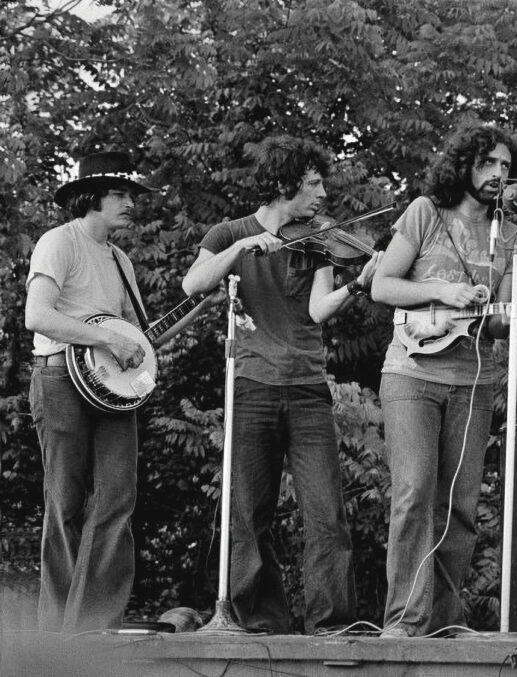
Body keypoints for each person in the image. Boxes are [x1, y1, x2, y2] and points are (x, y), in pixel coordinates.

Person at [182, 135, 379, 634]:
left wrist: (357, 284)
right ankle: (260, 621)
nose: (322, 195)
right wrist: (245, 247)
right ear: (283, 184)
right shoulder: (229, 232)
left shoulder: (317, 239)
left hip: (308, 387)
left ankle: (331, 624)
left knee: (326, 514)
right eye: (313, 183)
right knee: (249, 513)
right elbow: (193, 284)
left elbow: (317, 309)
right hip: (252, 385)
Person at [371, 124, 517, 638]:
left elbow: (500, 321)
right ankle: (403, 620)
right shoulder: (424, 212)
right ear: (463, 165)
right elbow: (382, 285)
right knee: (413, 494)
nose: (497, 174)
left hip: (474, 379)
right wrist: (443, 290)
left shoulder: (510, 236)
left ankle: (443, 620)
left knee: (460, 504)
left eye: (505, 166)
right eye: (488, 163)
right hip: (411, 374)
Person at [26, 151, 169, 632]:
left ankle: (95, 624)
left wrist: (140, 354)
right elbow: (38, 317)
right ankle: (56, 634)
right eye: (121, 194)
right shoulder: (58, 243)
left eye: (132, 196)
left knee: (117, 497)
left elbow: (132, 333)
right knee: (64, 500)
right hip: (58, 378)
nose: (131, 203)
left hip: (111, 390)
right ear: (90, 197)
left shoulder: (121, 259)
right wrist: (107, 339)